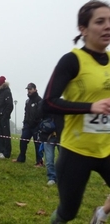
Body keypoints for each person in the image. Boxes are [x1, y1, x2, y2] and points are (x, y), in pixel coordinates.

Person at [42, 1, 110, 223]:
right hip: (76, 152)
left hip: (107, 148)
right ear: (83, 28)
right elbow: (49, 103)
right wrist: (90, 107)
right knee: (67, 213)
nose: (107, 26)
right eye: (100, 21)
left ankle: (101, 213)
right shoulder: (72, 61)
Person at [12, 83, 43, 166]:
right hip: (27, 126)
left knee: (37, 144)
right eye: (28, 89)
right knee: (23, 141)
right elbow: (26, 113)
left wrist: (37, 123)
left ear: (35, 89)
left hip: (37, 126)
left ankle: (39, 162)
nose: (29, 91)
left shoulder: (39, 100)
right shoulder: (28, 101)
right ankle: (21, 158)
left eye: (30, 89)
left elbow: (40, 114)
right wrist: (25, 123)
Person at [0, 76, 13, 159]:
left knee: (5, 135)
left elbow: (9, 105)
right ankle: (1, 149)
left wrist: (4, 116)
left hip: (3, 118)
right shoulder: (0, 92)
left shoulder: (7, 92)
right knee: (0, 134)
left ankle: (7, 153)